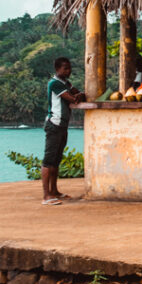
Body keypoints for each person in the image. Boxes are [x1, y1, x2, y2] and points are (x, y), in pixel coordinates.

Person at [42, 57, 85, 206]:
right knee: (48, 161)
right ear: (57, 69)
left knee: (56, 160)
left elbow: (78, 94)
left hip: (62, 126)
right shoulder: (54, 84)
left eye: (69, 67)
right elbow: (72, 98)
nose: (69, 70)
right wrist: (76, 96)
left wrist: (77, 95)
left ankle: (54, 190)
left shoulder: (65, 83)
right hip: (54, 125)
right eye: (65, 68)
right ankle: (46, 195)